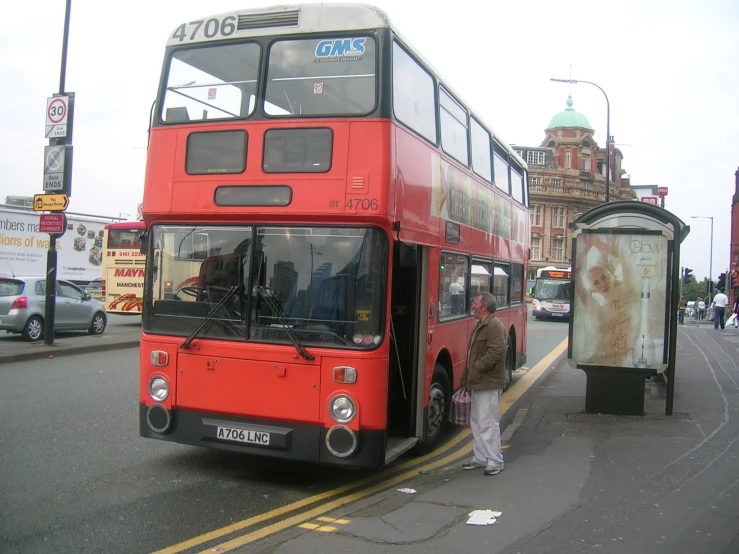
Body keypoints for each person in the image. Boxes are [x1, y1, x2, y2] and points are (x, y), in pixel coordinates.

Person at [459, 292, 507, 476]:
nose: (472, 304)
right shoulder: (481, 325)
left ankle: (495, 460)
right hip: (478, 382)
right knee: (477, 421)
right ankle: (480, 458)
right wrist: (467, 377)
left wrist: (477, 368)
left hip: (488, 381)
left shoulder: (494, 325)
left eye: (475, 302)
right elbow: (472, 354)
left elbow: (497, 351)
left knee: (488, 422)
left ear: (484, 307)